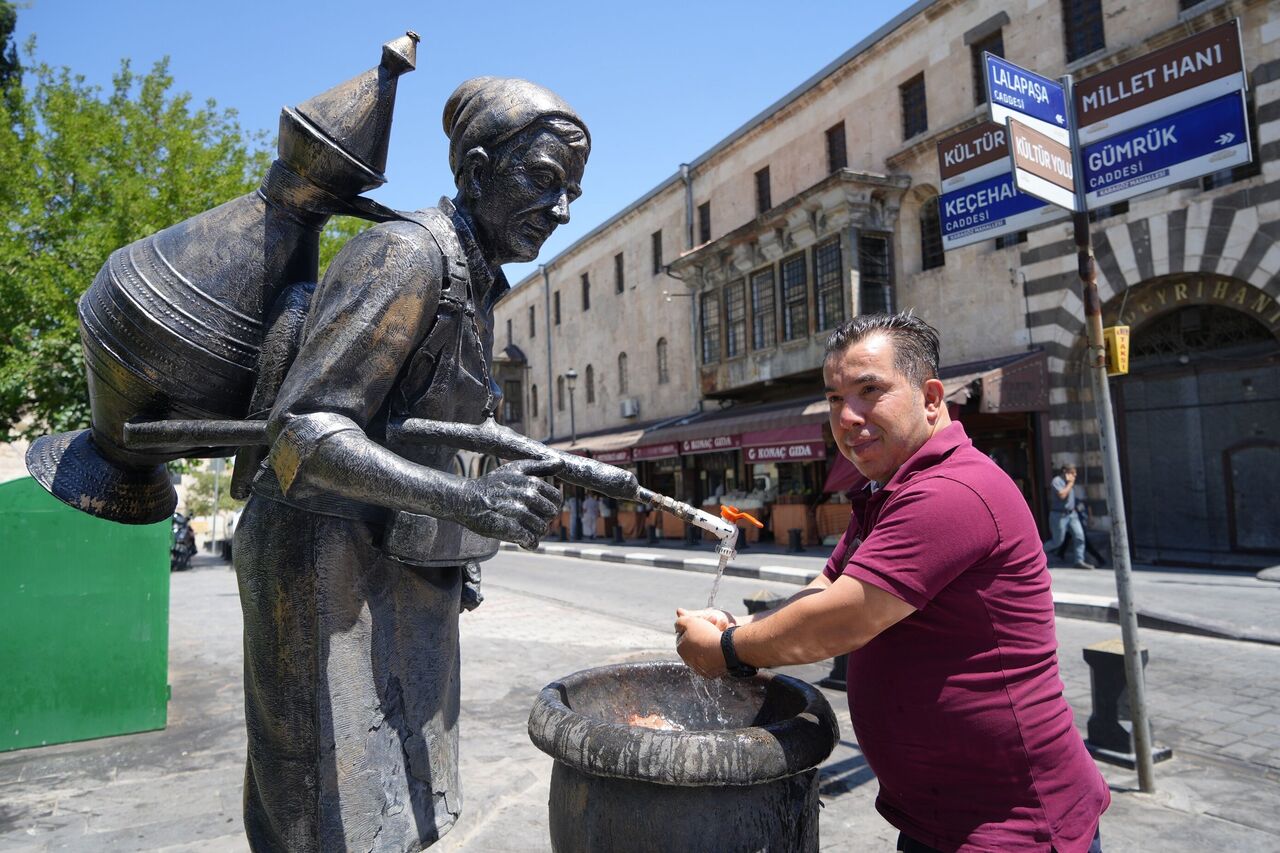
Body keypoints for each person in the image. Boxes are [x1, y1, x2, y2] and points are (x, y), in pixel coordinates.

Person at [233, 77, 588, 852]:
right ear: (477, 171)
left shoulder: (475, 282)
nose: (561, 212)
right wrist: (467, 503)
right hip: (323, 567)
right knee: (336, 821)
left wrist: (463, 544)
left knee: (400, 809)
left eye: (573, 194)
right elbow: (303, 432)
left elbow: (424, 428)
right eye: (543, 181)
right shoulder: (405, 255)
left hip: (390, 570)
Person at [675, 313, 1108, 852]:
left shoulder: (952, 491)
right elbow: (827, 588)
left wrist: (727, 651)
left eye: (869, 391)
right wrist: (744, 624)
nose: (848, 416)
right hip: (940, 820)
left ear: (930, 397)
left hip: (1010, 827)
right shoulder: (890, 489)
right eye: (834, 399)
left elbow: (841, 621)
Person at [1044, 463, 1096, 570]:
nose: (1075, 475)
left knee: (1079, 536)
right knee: (1057, 541)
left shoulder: (1069, 483)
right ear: (1065, 472)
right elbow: (1062, 495)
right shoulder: (1057, 481)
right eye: (1072, 472)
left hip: (1072, 514)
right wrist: (1070, 484)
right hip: (1059, 515)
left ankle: (1079, 560)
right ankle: (1038, 555)